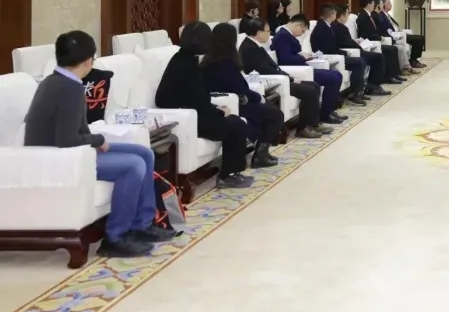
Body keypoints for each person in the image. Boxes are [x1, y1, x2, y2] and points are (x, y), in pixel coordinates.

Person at [23, 31, 178, 257]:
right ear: (88, 61)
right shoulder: (69, 88)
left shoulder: (56, 81)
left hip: (73, 152)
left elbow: (74, 130)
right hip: (61, 159)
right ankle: (116, 237)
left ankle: (142, 224)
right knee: (133, 166)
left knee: (144, 153)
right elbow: (67, 139)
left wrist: (95, 140)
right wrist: (97, 140)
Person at [156, 22, 253, 189]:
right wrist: (218, 113)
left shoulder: (183, 58)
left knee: (234, 122)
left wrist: (215, 109)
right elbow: (196, 101)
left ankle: (230, 172)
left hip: (193, 113)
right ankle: (228, 175)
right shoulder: (187, 64)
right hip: (189, 118)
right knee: (237, 125)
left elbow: (196, 97)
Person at [201, 23, 284, 168]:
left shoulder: (209, 60)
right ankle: (260, 155)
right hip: (235, 103)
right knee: (276, 114)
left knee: (269, 108)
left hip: (233, 100)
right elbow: (239, 89)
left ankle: (261, 152)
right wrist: (258, 97)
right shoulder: (226, 63)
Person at [240, 17, 328, 139]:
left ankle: (313, 123)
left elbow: (273, 66)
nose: (269, 33)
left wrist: (289, 76)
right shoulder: (249, 48)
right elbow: (264, 70)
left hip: (279, 78)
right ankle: (303, 128)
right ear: (259, 32)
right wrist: (289, 79)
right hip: (272, 82)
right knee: (310, 91)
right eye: (267, 31)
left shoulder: (255, 45)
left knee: (314, 85)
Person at [272, 14, 349, 122]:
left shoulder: (286, 34)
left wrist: (302, 56)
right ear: (298, 25)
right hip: (297, 71)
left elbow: (290, 54)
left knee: (337, 74)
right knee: (333, 78)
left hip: (302, 68)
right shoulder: (283, 36)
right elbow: (285, 59)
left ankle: (329, 110)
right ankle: (326, 114)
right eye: (302, 31)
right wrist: (302, 57)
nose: (301, 34)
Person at [311, 2, 371, 102]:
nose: (336, 15)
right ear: (331, 15)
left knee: (360, 61)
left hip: (334, 54)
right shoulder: (322, 28)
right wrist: (344, 53)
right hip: (329, 57)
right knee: (359, 62)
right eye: (335, 13)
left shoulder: (326, 26)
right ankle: (355, 93)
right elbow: (330, 48)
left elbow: (333, 46)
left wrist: (343, 52)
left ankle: (358, 91)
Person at [352, 0, 405, 84]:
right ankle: (389, 77)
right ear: (368, 4)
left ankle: (394, 74)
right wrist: (380, 38)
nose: (374, 5)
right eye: (373, 3)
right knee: (390, 50)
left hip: (374, 40)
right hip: (369, 42)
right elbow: (366, 33)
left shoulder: (369, 15)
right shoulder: (363, 16)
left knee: (393, 49)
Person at [381, 0, 425, 68]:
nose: (391, 5)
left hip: (400, 34)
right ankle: (413, 61)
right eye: (389, 3)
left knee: (421, 38)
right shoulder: (381, 16)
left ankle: (414, 59)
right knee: (419, 39)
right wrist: (398, 34)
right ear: (383, 5)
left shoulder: (387, 15)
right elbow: (388, 30)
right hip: (396, 36)